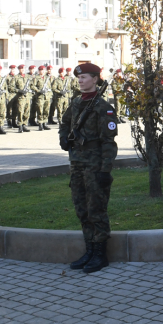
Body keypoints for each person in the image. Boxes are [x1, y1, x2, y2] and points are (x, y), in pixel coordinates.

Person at [59, 63, 118, 274]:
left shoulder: (103, 107)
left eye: (84, 77)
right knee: (82, 209)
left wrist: (105, 170)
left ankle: (100, 254)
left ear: (95, 79)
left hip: (95, 166)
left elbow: (109, 143)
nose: (80, 81)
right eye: (79, 78)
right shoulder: (76, 102)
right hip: (77, 164)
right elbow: (65, 123)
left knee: (96, 210)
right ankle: (89, 249)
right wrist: (64, 138)